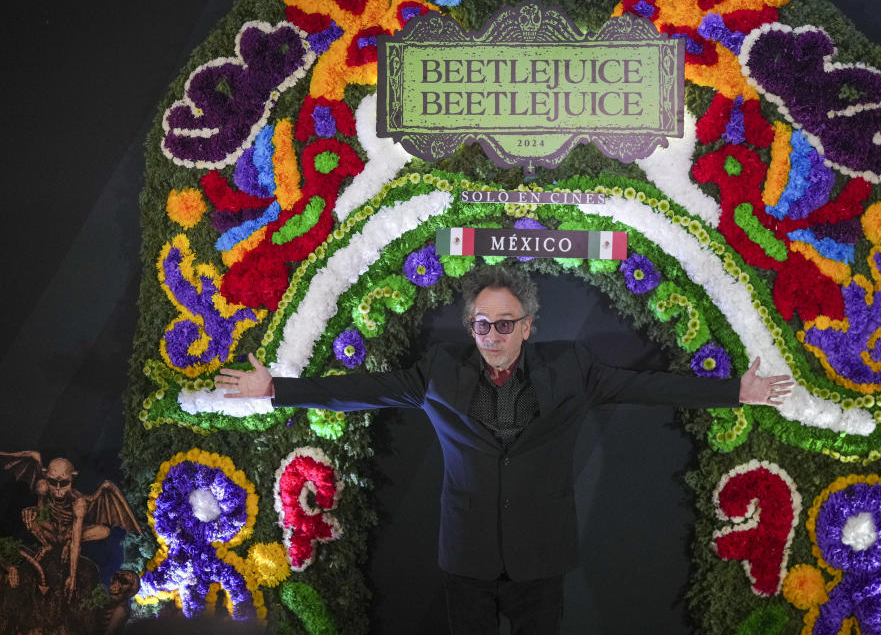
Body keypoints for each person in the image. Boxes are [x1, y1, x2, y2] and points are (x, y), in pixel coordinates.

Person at [215, 266, 793, 635]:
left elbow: (649, 388)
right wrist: (275, 390)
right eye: (481, 325)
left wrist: (737, 390)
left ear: (529, 326)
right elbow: (362, 391)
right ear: (470, 326)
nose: (491, 336)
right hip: (464, 554)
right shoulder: (440, 372)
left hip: (542, 556)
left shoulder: (573, 368)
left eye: (504, 324)